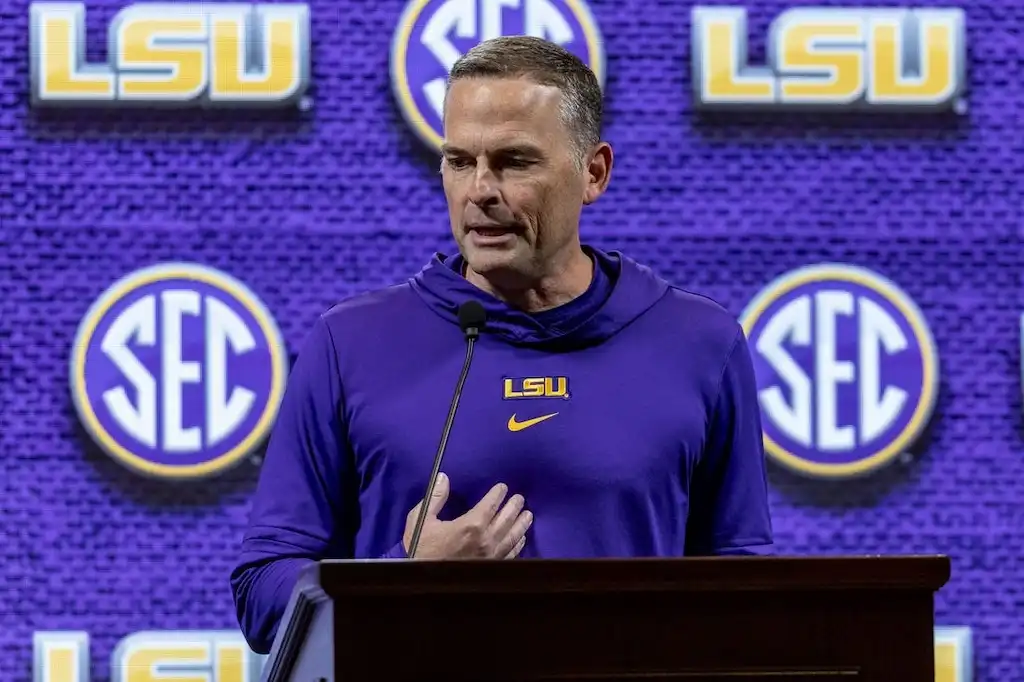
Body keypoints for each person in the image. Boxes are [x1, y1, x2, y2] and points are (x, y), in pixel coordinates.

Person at [230, 35, 773, 655]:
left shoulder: (700, 344)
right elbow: (262, 594)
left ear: (593, 173)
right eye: (460, 161)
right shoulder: (349, 343)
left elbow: (744, 595)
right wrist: (400, 578)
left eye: (514, 162)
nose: (479, 190)